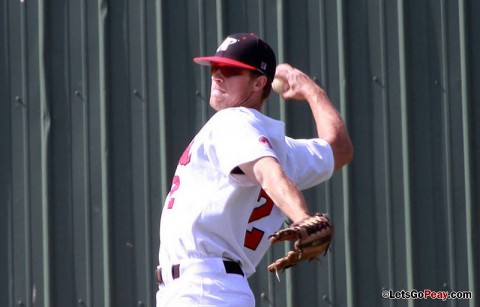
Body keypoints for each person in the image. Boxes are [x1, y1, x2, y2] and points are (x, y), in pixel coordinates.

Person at [155, 32, 353, 306]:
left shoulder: (232, 121)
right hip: (218, 288)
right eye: (215, 66)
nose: (217, 75)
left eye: (231, 69)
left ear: (260, 82)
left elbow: (266, 171)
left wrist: (302, 217)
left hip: (201, 289)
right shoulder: (283, 150)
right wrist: (312, 91)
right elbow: (339, 149)